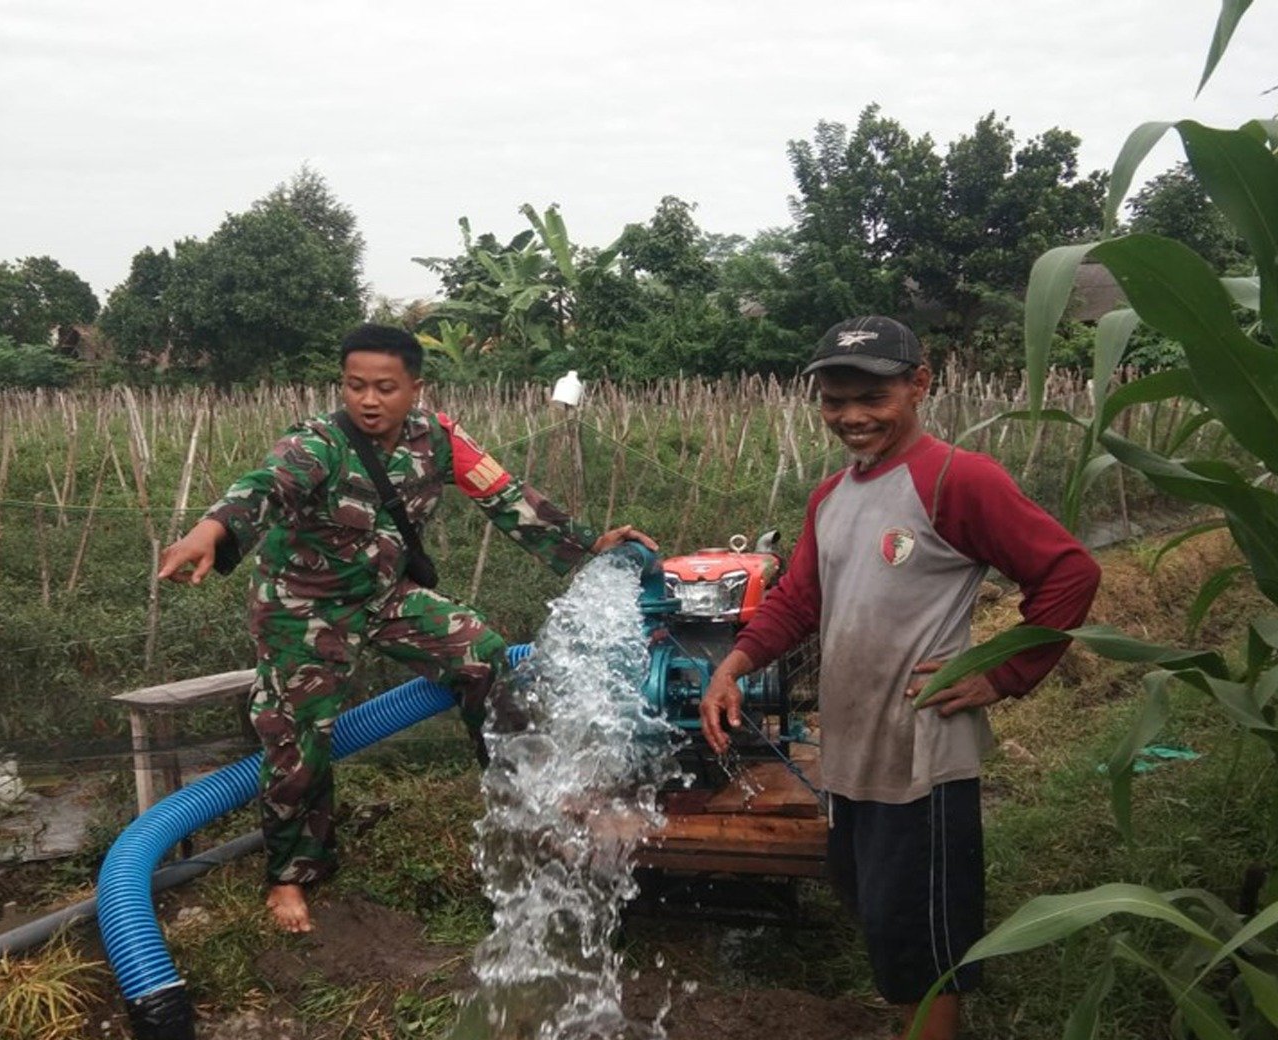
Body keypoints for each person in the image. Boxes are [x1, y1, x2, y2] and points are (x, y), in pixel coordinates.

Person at [158, 323, 655, 934]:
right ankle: (291, 875)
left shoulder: (440, 440)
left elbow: (506, 497)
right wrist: (208, 532)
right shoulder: (318, 443)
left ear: (415, 388)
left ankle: (520, 803)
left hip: (386, 594)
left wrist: (587, 545)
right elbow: (263, 486)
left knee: (484, 656)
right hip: (303, 606)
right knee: (298, 735)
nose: (369, 400)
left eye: (385, 387)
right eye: (355, 386)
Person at [698, 316, 1101, 1040]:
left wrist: (1002, 671)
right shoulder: (831, 496)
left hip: (921, 758)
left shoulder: (956, 479)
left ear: (919, 385)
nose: (851, 416)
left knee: (923, 944)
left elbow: (1068, 572)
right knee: (880, 917)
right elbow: (799, 599)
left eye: (872, 396)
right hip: (853, 752)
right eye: (833, 400)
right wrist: (733, 665)